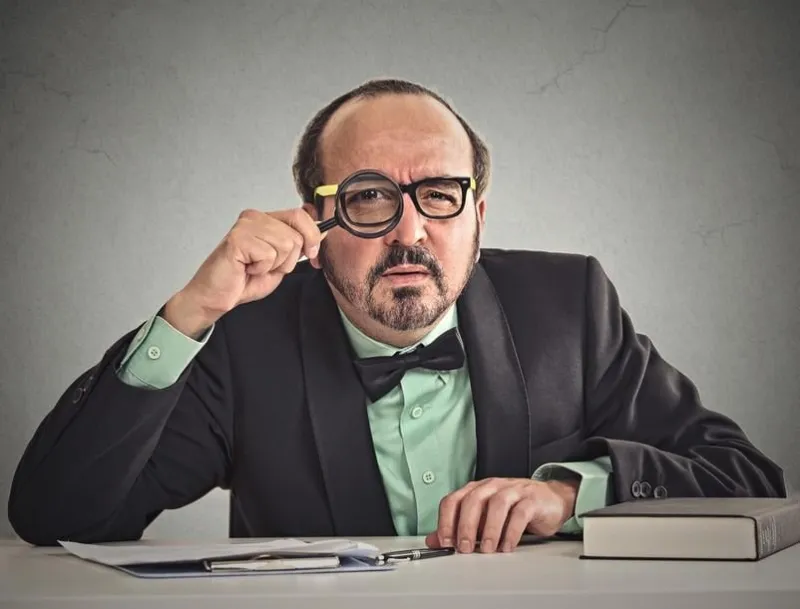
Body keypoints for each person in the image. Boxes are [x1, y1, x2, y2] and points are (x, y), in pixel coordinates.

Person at [8, 78, 787, 553]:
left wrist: (569, 496)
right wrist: (185, 317)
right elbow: (57, 516)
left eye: (439, 195)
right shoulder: (241, 339)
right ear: (315, 223)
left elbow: (750, 482)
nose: (411, 232)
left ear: (478, 216)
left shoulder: (570, 309)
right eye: (371, 197)